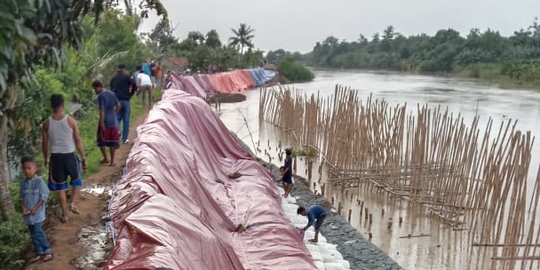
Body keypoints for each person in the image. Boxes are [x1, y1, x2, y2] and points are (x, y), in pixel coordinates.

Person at [42, 94, 87, 223]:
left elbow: (44, 144)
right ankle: (73, 203)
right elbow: (77, 140)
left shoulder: (46, 124)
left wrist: (46, 158)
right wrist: (83, 156)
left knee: (60, 188)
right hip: (70, 156)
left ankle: (65, 215)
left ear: (52, 106)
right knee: (77, 181)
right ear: (62, 105)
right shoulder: (71, 121)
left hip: (56, 158)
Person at [20, 156, 53, 263]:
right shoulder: (23, 183)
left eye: (29, 168)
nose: (27, 171)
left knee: (38, 231)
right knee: (32, 233)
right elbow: (22, 198)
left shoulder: (39, 182)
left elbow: (44, 197)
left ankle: (47, 251)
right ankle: (39, 253)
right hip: (28, 215)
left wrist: (35, 208)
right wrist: (24, 208)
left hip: (37, 214)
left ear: (35, 168)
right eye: (24, 168)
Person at [92, 80, 121, 166]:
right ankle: (112, 161)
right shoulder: (112, 93)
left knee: (101, 140)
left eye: (94, 89)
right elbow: (118, 105)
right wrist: (114, 114)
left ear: (98, 87)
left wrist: (101, 122)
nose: (95, 91)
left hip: (105, 121)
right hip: (113, 121)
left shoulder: (101, 96)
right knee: (113, 141)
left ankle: (105, 158)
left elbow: (102, 111)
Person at [110, 64, 136, 144]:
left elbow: (111, 88)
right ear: (124, 69)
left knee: (117, 118)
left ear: (118, 68)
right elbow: (134, 84)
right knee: (126, 119)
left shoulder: (113, 78)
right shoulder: (127, 76)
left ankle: (117, 133)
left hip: (117, 101)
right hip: (125, 100)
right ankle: (125, 139)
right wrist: (130, 94)